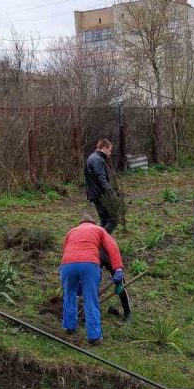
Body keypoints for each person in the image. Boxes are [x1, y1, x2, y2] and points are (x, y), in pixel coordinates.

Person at [60, 216, 124, 345]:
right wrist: (118, 268)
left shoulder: (72, 231)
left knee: (69, 295)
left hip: (67, 265)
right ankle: (94, 336)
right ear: (93, 223)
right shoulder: (98, 229)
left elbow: (65, 249)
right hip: (89, 264)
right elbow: (112, 247)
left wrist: (63, 268)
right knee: (90, 298)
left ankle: (69, 327)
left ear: (80, 223)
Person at [84, 138, 118, 234]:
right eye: (109, 150)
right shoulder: (97, 160)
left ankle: (98, 240)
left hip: (95, 194)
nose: (110, 153)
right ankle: (100, 240)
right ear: (104, 148)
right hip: (100, 195)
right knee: (113, 220)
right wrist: (111, 192)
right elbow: (101, 179)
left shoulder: (93, 157)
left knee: (104, 221)